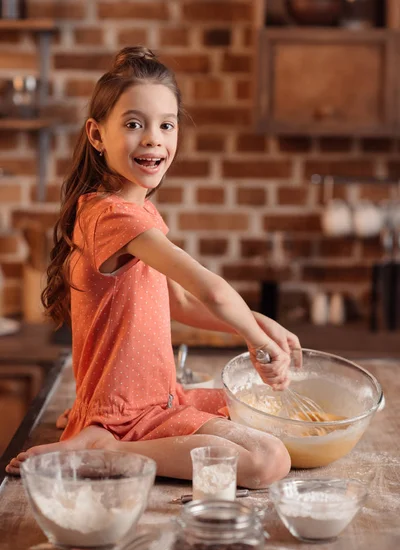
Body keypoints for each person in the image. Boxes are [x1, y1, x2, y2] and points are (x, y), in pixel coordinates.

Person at [6, 47, 301, 488]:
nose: (153, 139)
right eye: (133, 124)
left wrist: (261, 322)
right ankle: (110, 450)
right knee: (268, 462)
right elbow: (211, 291)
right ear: (96, 135)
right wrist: (257, 343)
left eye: (167, 124)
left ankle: (103, 439)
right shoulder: (114, 217)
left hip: (157, 401)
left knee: (277, 431)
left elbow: (179, 303)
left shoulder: (130, 212)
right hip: (129, 415)